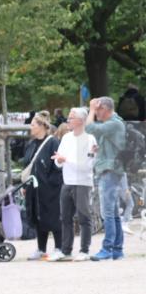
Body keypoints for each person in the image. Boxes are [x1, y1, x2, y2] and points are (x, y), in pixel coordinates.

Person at [48, 107, 96, 261]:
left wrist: (66, 160)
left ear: (81, 120)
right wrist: (60, 160)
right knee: (65, 217)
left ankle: (84, 250)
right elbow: (58, 160)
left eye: (71, 118)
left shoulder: (90, 139)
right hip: (67, 181)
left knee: (83, 216)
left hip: (82, 182)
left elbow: (87, 165)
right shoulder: (66, 138)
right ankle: (66, 249)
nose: (68, 120)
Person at [85, 96, 127, 260]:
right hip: (110, 169)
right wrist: (100, 148)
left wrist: (91, 109)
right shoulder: (113, 124)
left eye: (99, 109)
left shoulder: (114, 123)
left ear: (107, 109)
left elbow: (89, 128)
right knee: (114, 212)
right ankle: (117, 249)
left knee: (107, 212)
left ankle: (107, 248)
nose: (97, 113)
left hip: (110, 171)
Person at [21, 113, 62, 260]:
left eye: (33, 124)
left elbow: (58, 166)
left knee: (54, 216)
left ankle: (59, 247)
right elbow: (27, 164)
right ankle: (41, 248)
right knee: (38, 216)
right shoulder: (31, 144)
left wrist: (51, 183)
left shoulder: (53, 142)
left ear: (42, 126)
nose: (30, 127)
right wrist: (26, 186)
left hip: (50, 187)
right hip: (34, 186)